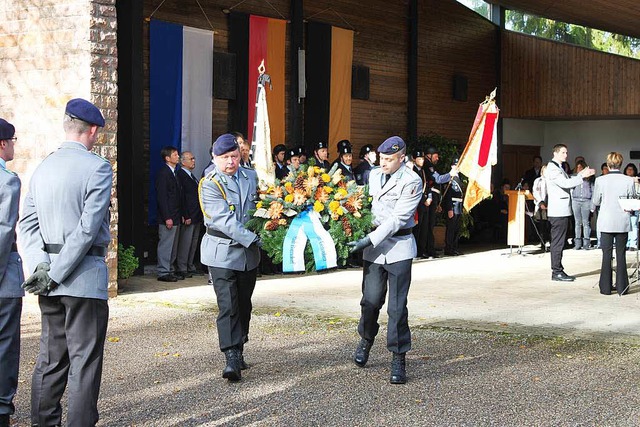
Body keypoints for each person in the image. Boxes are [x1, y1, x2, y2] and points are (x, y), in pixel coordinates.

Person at [19, 98, 112, 426]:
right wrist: (54, 272)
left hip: (49, 280)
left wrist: (41, 269)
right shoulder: (98, 167)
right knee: (84, 364)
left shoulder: (43, 167)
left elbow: (27, 225)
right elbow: (87, 229)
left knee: (50, 359)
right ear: (94, 131)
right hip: (84, 277)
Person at [347, 136, 424, 384]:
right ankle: (366, 339)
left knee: (397, 307)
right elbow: (368, 206)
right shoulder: (374, 175)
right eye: (381, 158)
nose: (384, 164)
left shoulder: (412, 181)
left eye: (389, 160)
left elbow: (398, 220)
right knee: (370, 301)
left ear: (402, 158)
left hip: (398, 247)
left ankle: (398, 356)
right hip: (374, 251)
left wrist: (368, 240)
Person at [199, 133, 261, 382]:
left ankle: (240, 344)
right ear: (214, 158)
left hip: (247, 255)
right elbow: (223, 221)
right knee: (228, 305)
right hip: (221, 251)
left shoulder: (251, 177)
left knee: (244, 303)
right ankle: (231, 355)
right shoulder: (209, 183)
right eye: (224, 158)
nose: (230, 162)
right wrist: (254, 239)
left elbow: (260, 208)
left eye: (234, 156)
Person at [0, 119, 23, 427]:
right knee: (5, 345)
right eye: (13, 140)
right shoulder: (7, 181)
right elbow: (4, 231)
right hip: (3, 279)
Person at [545, 144, 595, 282]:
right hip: (558, 211)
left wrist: (580, 175)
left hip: (561, 209)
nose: (566, 155)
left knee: (559, 241)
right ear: (555, 153)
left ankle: (558, 270)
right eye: (563, 152)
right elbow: (565, 184)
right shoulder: (553, 168)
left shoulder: (558, 167)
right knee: (558, 242)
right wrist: (581, 177)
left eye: (566, 152)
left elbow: (566, 181)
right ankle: (557, 272)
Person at [592, 152, 636, 295]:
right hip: (622, 220)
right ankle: (622, 288)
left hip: (606, 221)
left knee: (606, 255)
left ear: (608, 164)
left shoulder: (600, 180)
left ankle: (605, 288)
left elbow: (596, 201)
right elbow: (631, 199)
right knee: (621, 254)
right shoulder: (628, 180)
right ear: (621, 163)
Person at [156, 146, 183, 282]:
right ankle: (163, 271)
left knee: (173, 245)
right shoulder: (164, 173)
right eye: (175, 155)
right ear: (167, 158)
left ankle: (170, 269)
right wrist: (167, 217)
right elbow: (162, 197)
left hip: (176, 215)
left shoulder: (174, 173)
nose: (178, 156)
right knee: (166, 245)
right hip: (168, 216)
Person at [176, 151, 204, 278]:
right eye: (191, 159)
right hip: (189, 214)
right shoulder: (181, 175)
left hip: (196, 214)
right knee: (185, 242)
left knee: (193, 242)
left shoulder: (191, 176)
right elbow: (182, 197)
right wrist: (185, 215)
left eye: (194, 158)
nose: (194, 161)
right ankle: (182, 267)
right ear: (183, 161)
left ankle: (189, 264)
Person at [571, 160, 594, 250]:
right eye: (577, 167)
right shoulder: (573, 177)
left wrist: (593, 204)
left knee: (586, 222)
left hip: (586, 201)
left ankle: (586, 243)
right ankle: (577, 243)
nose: (579, 169)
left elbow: (593, 190)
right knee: (577, 222)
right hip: (576, 201)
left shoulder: (590, 178)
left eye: (581, 167)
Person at [443, 169, 464, 256]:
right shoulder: (450, 178)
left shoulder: (459, 178)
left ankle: (454, 247)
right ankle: (449, 248)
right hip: (453, 205)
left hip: (458, 205)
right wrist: (449, 209)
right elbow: (448, 195)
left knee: (456, 229)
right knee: (451, 229)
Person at [532, 165, 550, 250]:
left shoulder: (551, 180)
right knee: (542, 226)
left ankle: (551, 242)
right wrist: (541, 203)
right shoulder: (538, 180)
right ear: (542, 172)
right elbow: (535, 192)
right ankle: (543, 243)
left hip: (550, 205)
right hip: (541, 205)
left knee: (550, 226)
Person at [624, 163, 639, 250]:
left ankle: (633, 244)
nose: (629, 171)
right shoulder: (622, 180)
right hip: (624, 205)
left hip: (634, 205)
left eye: (631, 169)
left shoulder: (637, 180)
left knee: (633, 224)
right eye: (628, 169)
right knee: (625, 225)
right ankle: (626, 243)